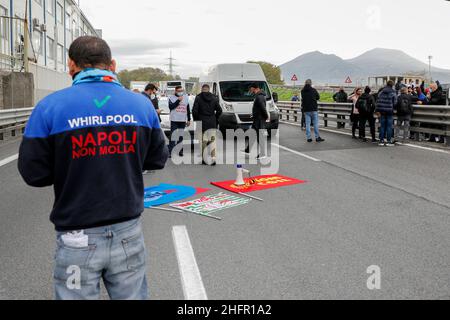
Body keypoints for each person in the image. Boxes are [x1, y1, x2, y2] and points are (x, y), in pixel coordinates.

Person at [18, 36, 168, 300]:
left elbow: (34, 174)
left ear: (71, 66)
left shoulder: (49, 107)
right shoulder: (141, 105)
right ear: (112, 64)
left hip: (76, 235)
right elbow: (157, 159)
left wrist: (73, 164)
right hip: (127, 232)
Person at [193, 84, 222, 165]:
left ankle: (204, 159)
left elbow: (194, 111)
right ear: (208, 89)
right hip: (212, 122)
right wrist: (215, 118)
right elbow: (219, 110)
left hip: (202, 122)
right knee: (212, 141)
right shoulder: (214, 98)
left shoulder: (198, 98)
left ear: (202, 89)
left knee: (203, 142)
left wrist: (196, 120)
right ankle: (213, 158)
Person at [243, 83, 270, 159]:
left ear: (254, 88)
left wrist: (266, 116)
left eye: (250, 89)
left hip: (259, 119)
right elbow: (258, 108)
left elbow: (262, 107)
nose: (250, 90)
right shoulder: (258, 95)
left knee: (259, 136)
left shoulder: (260, 96)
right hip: (257, 118)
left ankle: (262, 154)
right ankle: (247, 150)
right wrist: (253, 114)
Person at [168, 85, 191, 157]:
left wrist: (189, 119)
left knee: (181, 136)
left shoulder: (186, 97)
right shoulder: (171, 98)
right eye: (179, 91)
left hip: (182, 120)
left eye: (182, 91)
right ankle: (170, 152)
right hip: (174, 119)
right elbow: (171, 107)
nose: (180, 92)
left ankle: (180, 151)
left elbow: (188, 109)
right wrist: (178, 100)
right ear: (175, 91)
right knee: (173, 136)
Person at [375, 80, 398, 146]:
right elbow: (395, 102)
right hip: (389, 111)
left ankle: (381, 141)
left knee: (382, 126)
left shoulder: (381, 92)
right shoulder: (393, 92)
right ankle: (388, 141)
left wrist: (377, 110)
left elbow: (378, 101)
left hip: (381, 110)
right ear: (392, 85)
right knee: (389, 126)